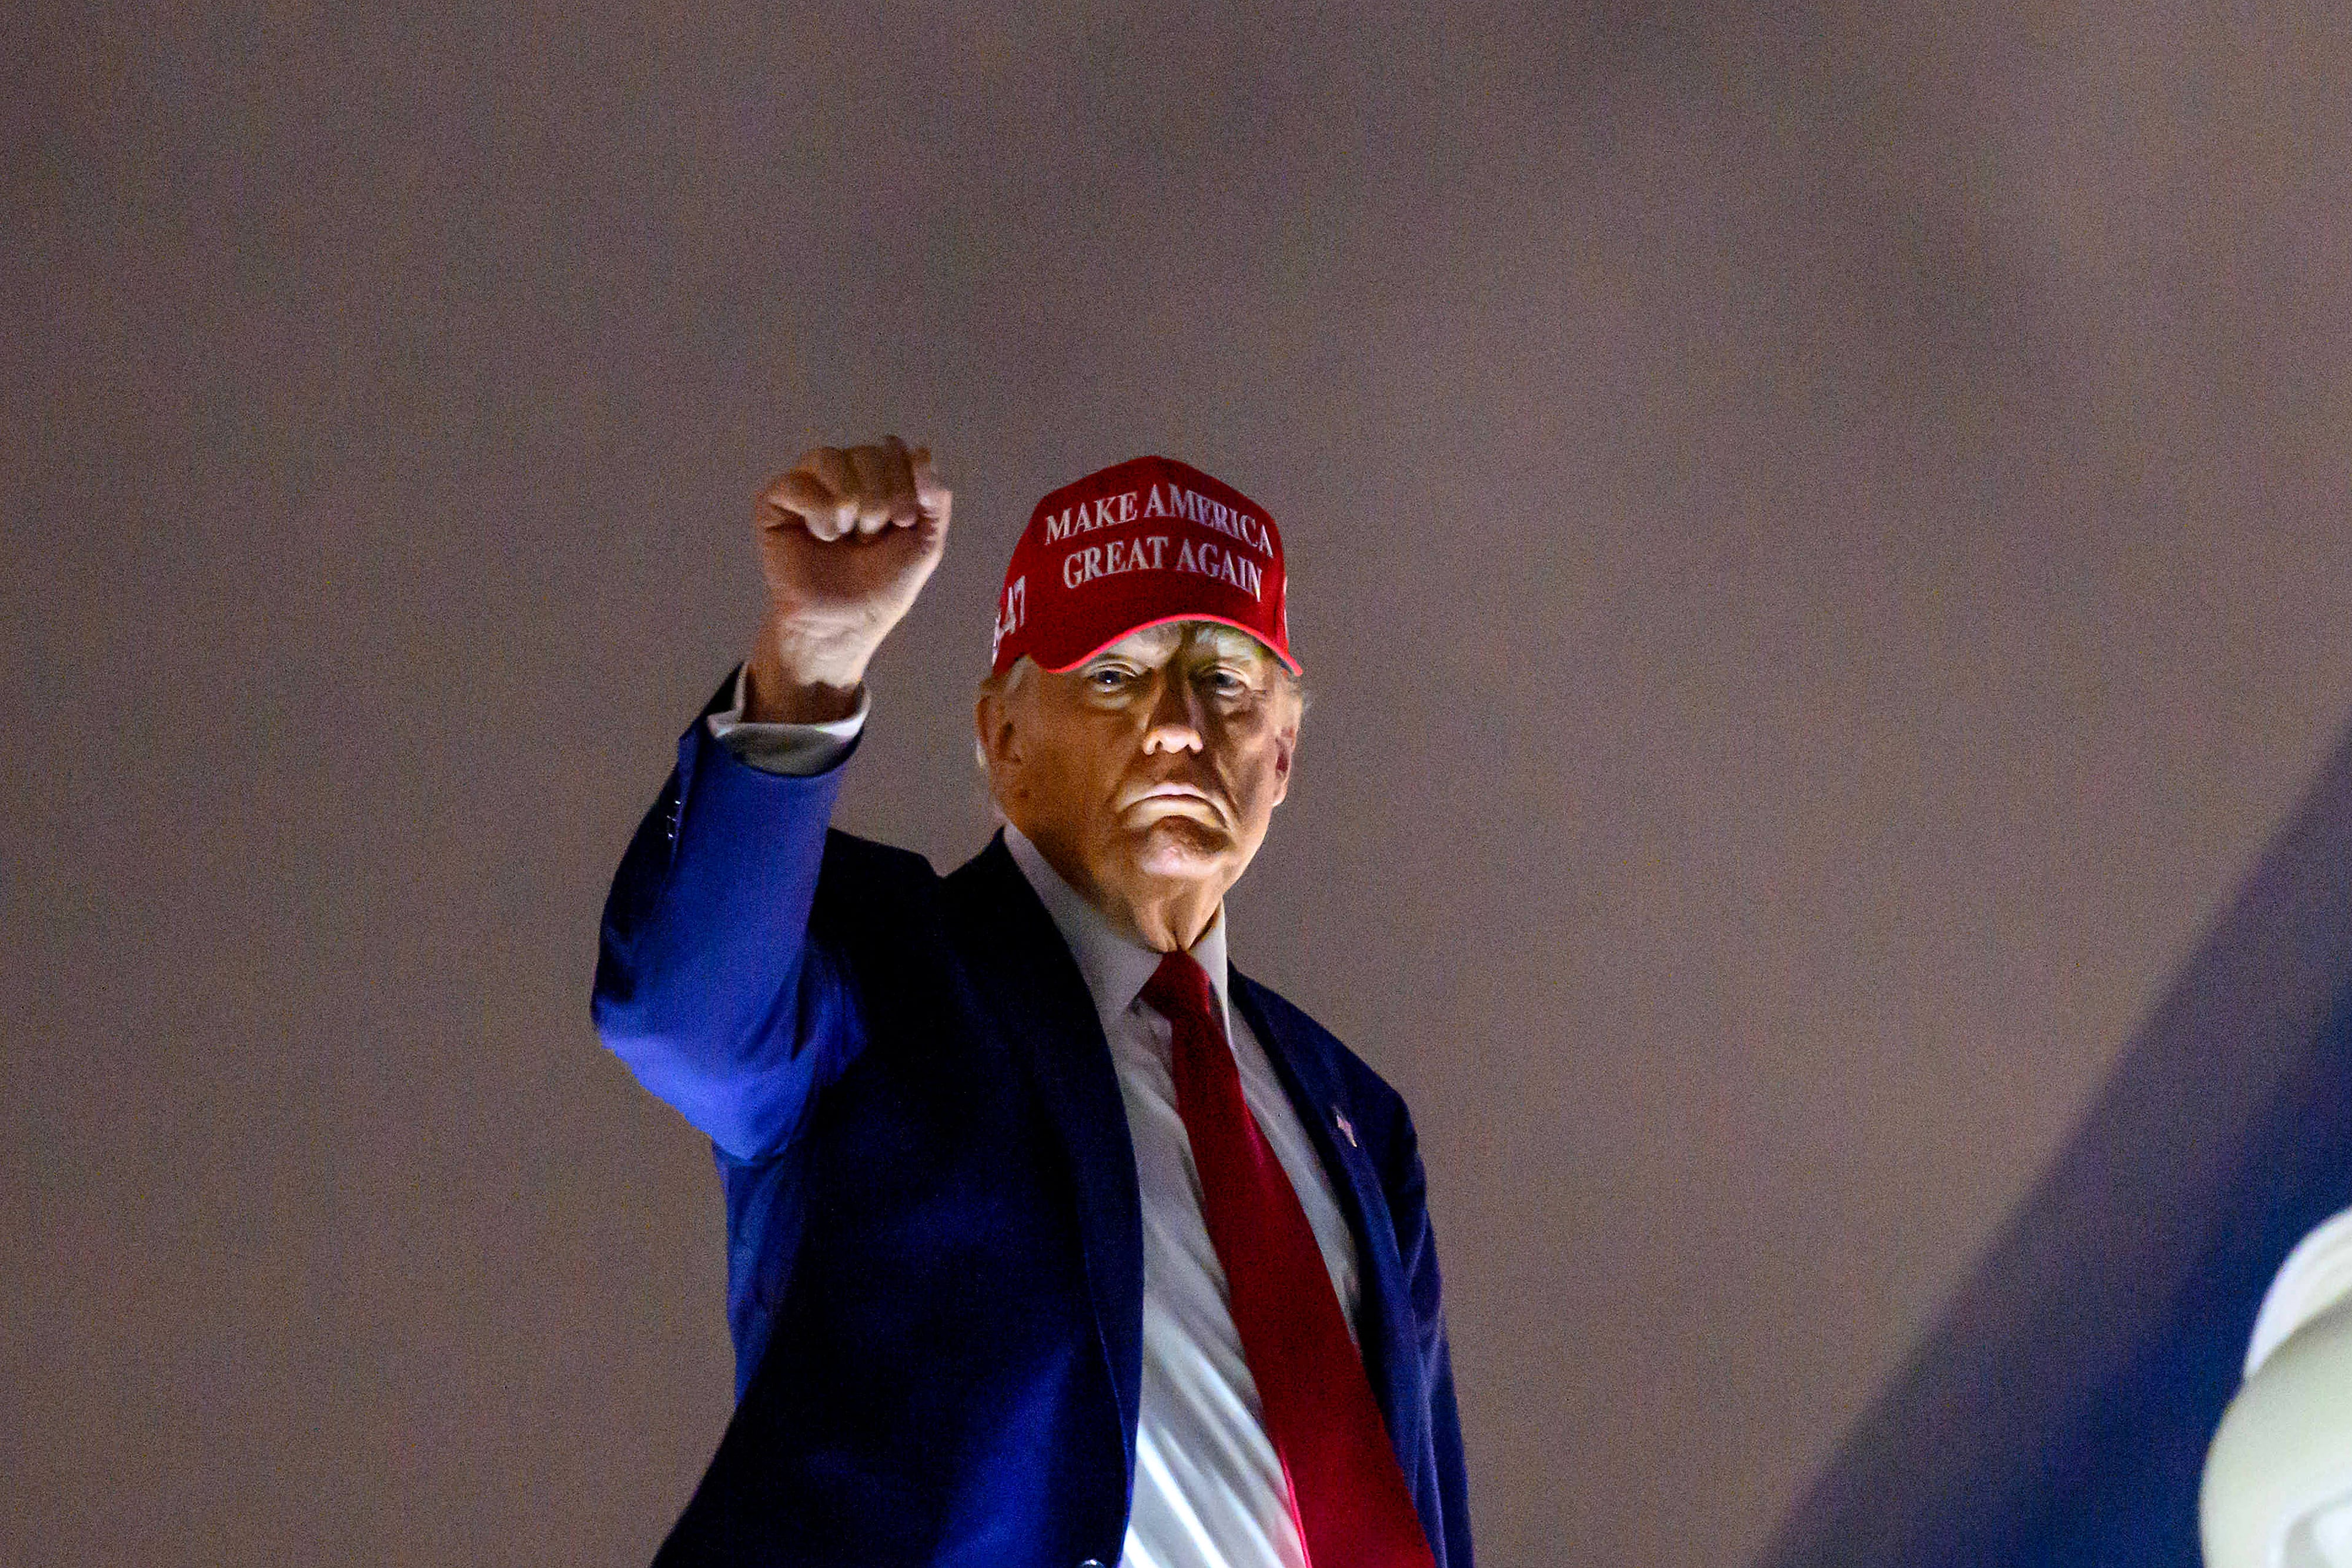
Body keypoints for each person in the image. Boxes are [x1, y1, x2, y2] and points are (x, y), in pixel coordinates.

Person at [593, 438, 1475, 1568]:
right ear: (1002, 739)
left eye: (1226, 684)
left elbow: (1423, 1514)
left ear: (1285, 754)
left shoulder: (1357, 1118)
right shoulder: (891, 978)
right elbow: (678, 1012)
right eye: (1114, 676)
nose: (1178, 726)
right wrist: (808, 662)